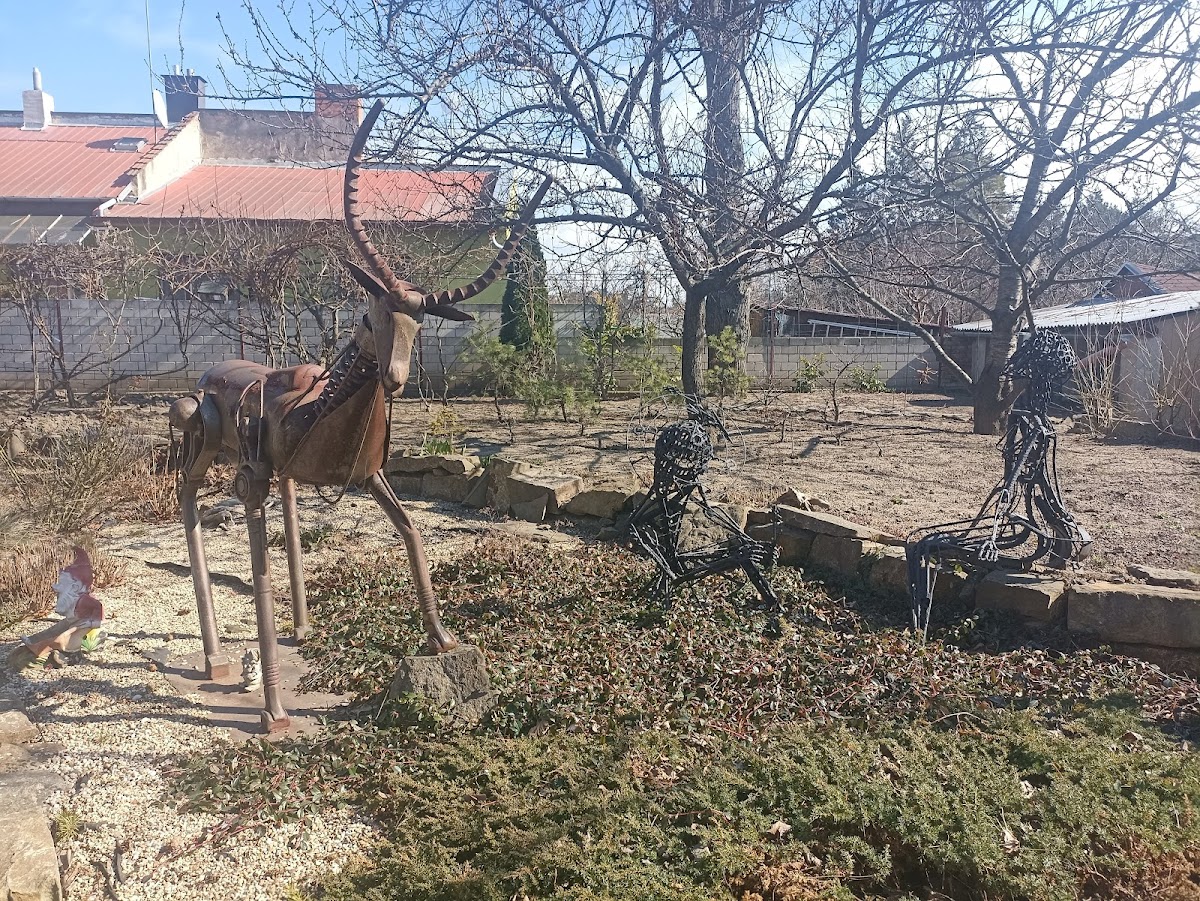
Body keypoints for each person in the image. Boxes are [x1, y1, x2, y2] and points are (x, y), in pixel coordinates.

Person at [9, 547, 106, 669]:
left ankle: (66, 652)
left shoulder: (86, 602)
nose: (56, 587)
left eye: (61, 584)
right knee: (60, 628)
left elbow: (99, 611)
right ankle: (38, 644)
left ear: (76, 587)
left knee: (66, 638)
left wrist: (90, 624)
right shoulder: (73, 600)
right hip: (73, 624)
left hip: (80, 630)